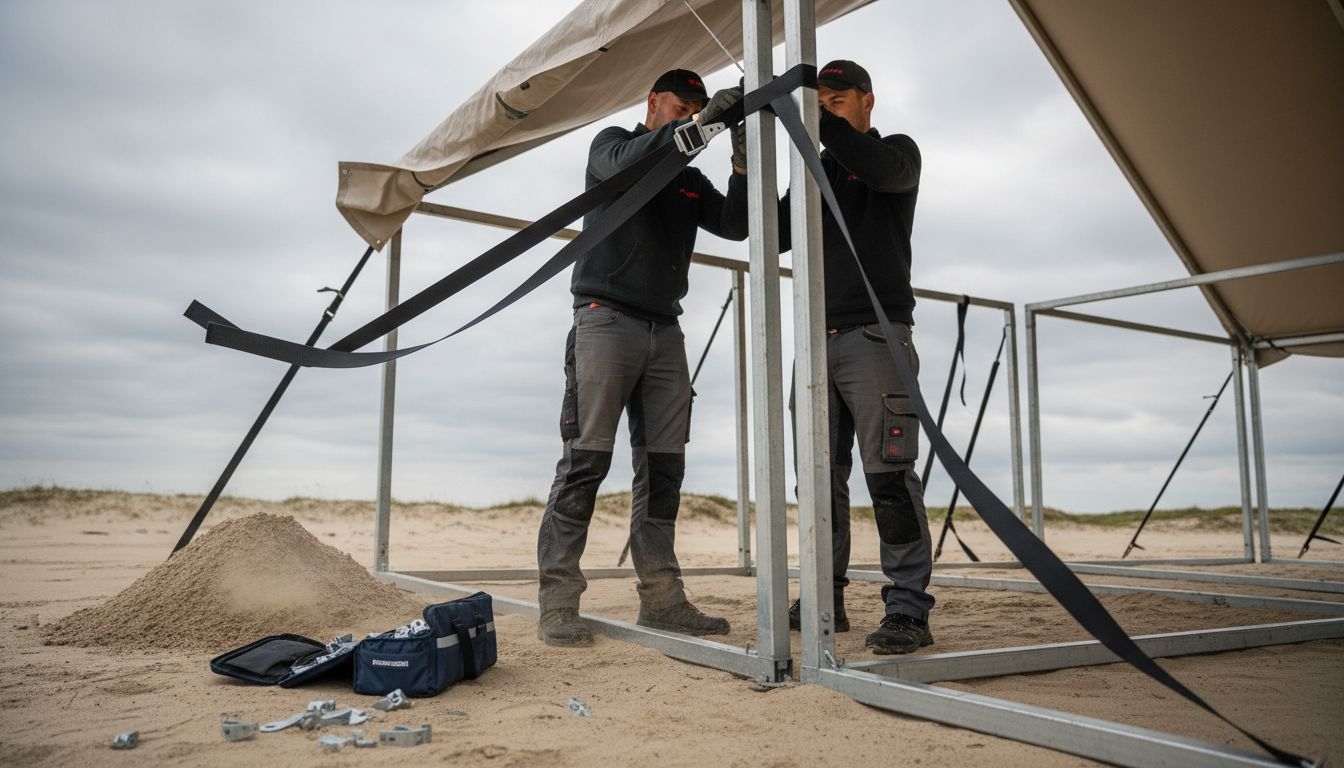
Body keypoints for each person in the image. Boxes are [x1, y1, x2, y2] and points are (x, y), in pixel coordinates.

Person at [535, 69, 751, 647]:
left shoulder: (688, 179)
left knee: (663, 470)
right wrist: (700, 126)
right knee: (585, 463)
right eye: (681, 107)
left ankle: (662, 601)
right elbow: (635, 162)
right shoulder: (610, 147)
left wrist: (742, 162)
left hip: (665, 330)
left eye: (696, 110)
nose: (687, 117)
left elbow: (737, 226)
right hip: (605, 319)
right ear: (653, 101)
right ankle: (558, 604)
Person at [780, 59, 934, 654]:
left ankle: (908, 610)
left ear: (867, 101)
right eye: (821, 101)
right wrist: (744, 162)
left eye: (838, 100)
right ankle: (827, 596)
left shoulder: (896, 152)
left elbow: (874, 169)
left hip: (875, 337)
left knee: (889, 476)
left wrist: (820, 124)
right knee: (820, 482)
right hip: (818, 343)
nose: (828, 109)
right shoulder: (818, 169)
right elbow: (763, 228)